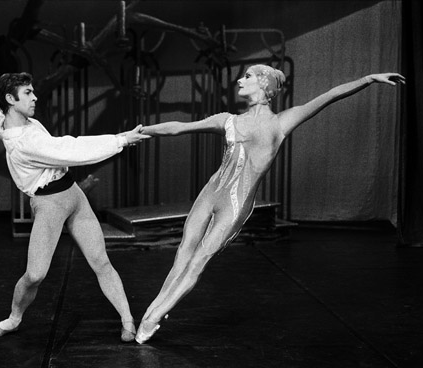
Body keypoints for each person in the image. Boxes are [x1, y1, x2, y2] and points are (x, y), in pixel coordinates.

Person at [135, 65, 405, 344]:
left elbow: (329, 96)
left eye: (247, 76)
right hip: (210, 193)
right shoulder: (227, 120)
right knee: (183, 251)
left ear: (264, 84)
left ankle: (153, 317)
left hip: (235, 202)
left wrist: (368, 78)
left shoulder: (281, 123)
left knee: (200, 258)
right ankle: (157, 306)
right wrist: (139, 132)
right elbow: (180, 128)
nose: (240, 80)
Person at [0, 73, 150, 342]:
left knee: (101, 260)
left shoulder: (6, 117)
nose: (34, 97)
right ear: (11, 99)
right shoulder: (24, 142)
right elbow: (70, 148)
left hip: (73, 195)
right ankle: (14, 319)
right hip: (48, 205)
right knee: (35, 274)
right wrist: (120, 139)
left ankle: (127, 320)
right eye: (27, 92)